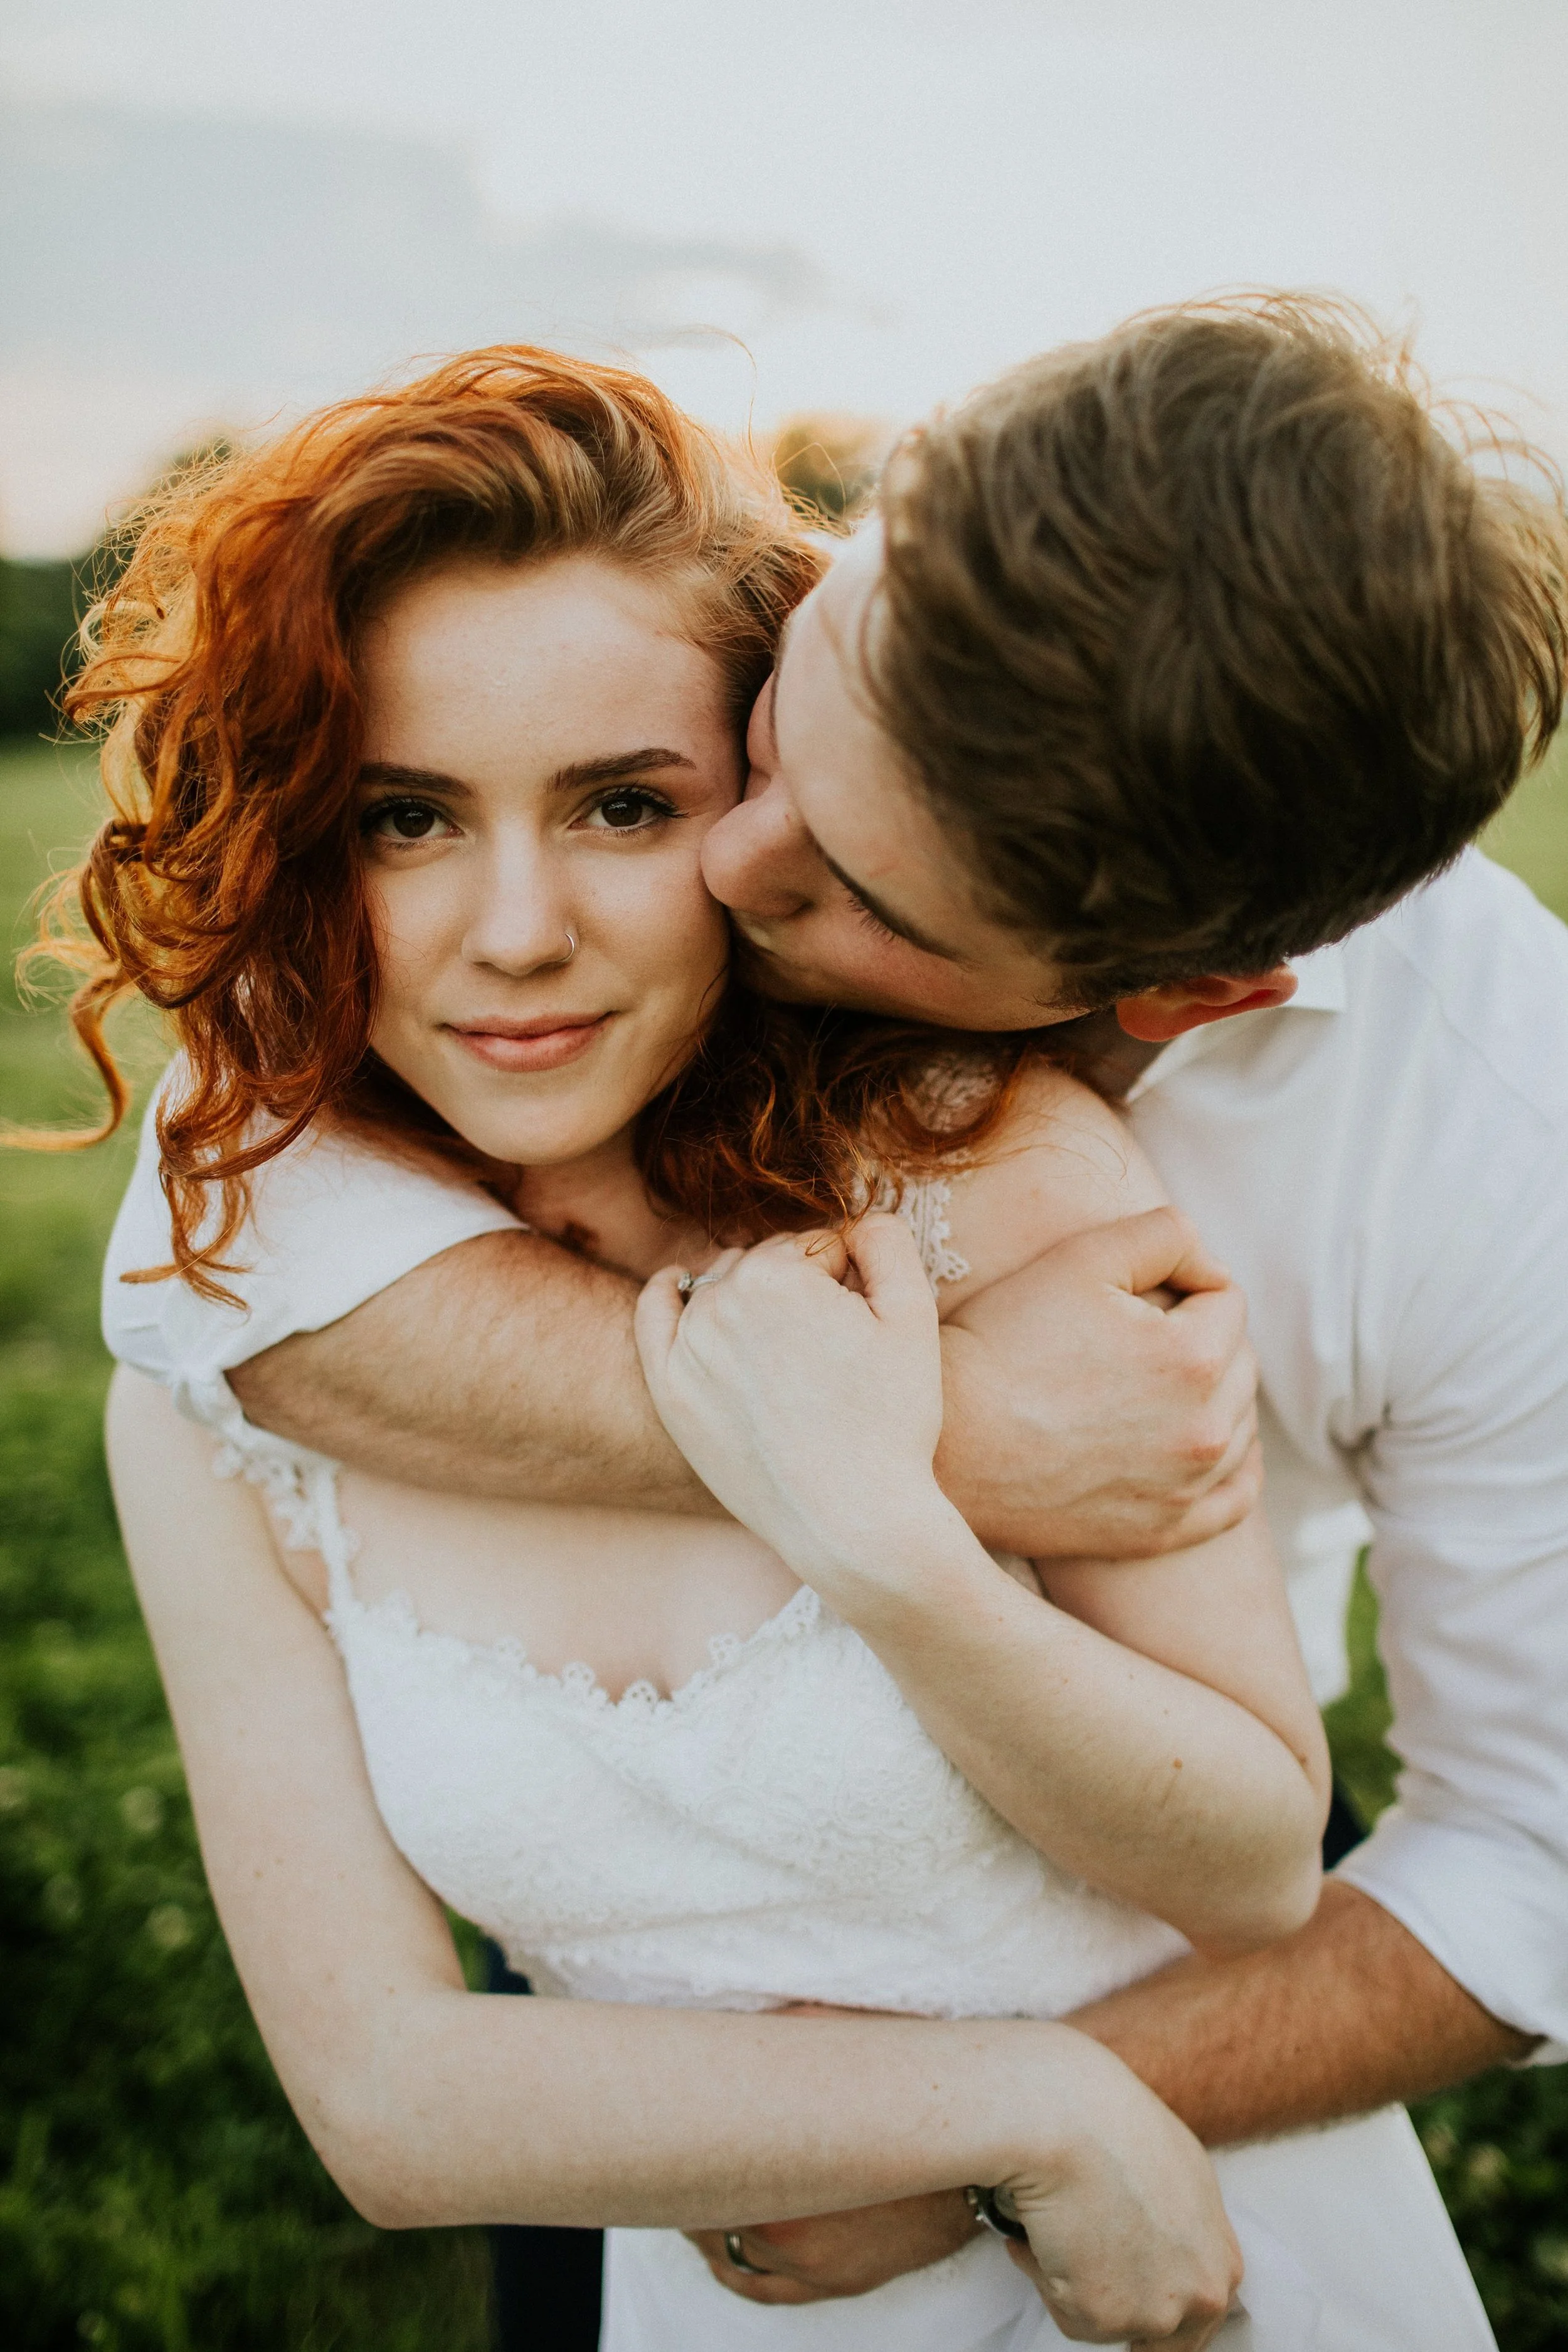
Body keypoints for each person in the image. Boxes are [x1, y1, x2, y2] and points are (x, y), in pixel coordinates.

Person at [80, 292, 1568, 2339]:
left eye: (647, 805)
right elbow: (193, 1271)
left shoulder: (1437, 1134)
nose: (733, 864)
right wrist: (936, 1442)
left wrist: (983, 2131)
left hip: (1156, 2014)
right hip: (652, 2128)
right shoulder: (371, 1118)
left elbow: (1487, 1867)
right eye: (776, 731)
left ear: (1173, 987)